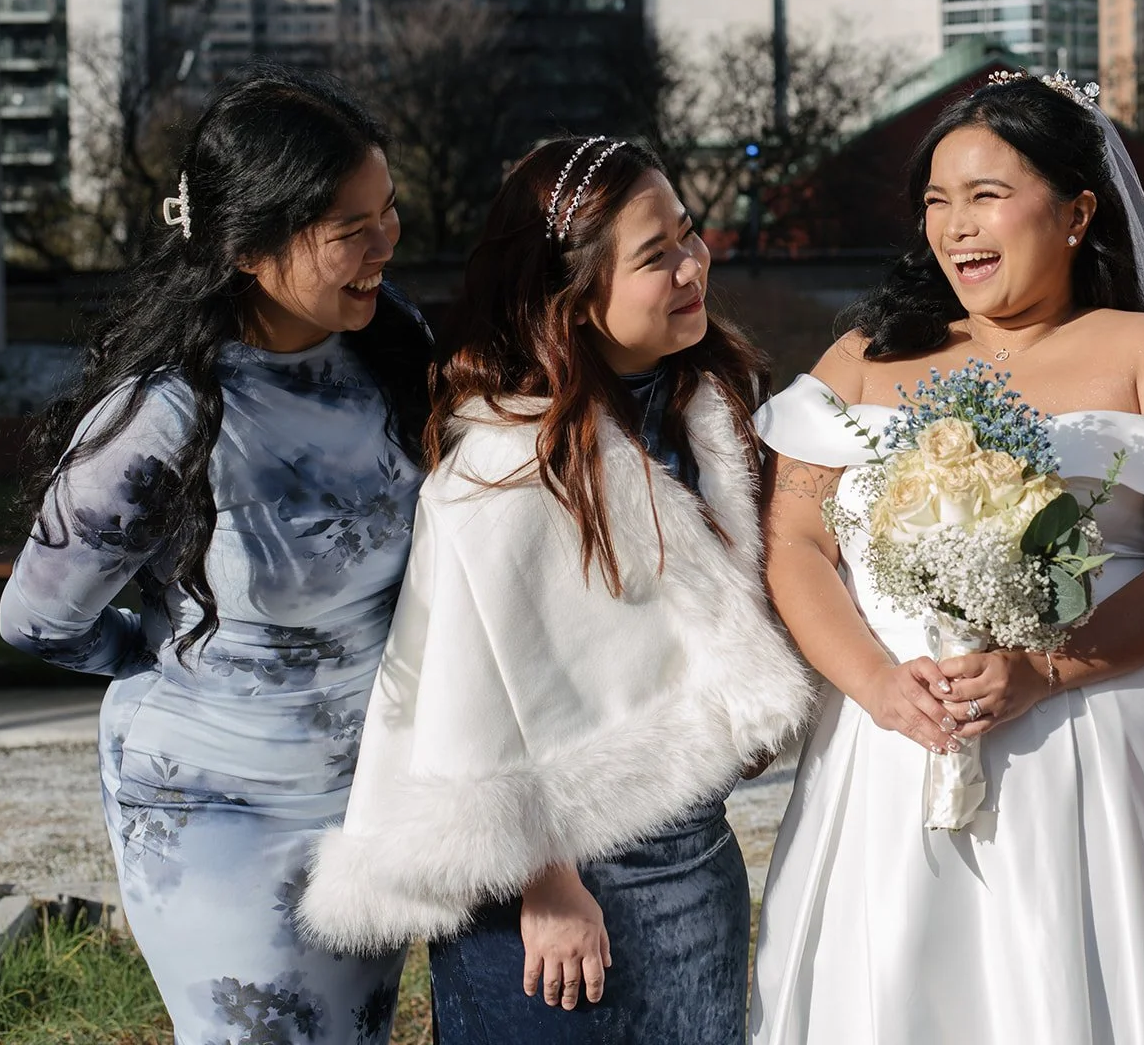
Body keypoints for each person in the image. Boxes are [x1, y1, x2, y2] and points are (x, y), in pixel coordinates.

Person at [750, 69, 1144, 1043]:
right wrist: (874, 682)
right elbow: (797, 540)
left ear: (1075, 211)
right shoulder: (862, 354)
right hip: (890, 739)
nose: (956, 226)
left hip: (1096, 734)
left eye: (986, 195)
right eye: (938, 201)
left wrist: (1044, 667)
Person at [298, 136, 814, 1045]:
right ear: (573, 300)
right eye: (657, 257)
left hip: (697, 858)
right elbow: (472, 688)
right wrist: (545, 880)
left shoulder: (705, 408)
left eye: (688, 236)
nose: (694, 265)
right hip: (561, 889)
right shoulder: (502, 465)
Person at [0, 64, 432, 1044]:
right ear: (247, 248)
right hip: (213, 808)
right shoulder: (162, 419)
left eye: (388, 210)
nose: (384, 244)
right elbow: (36, 617)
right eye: (349, 229)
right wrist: (159, 650)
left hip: (364, 804)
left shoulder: (386, 339)